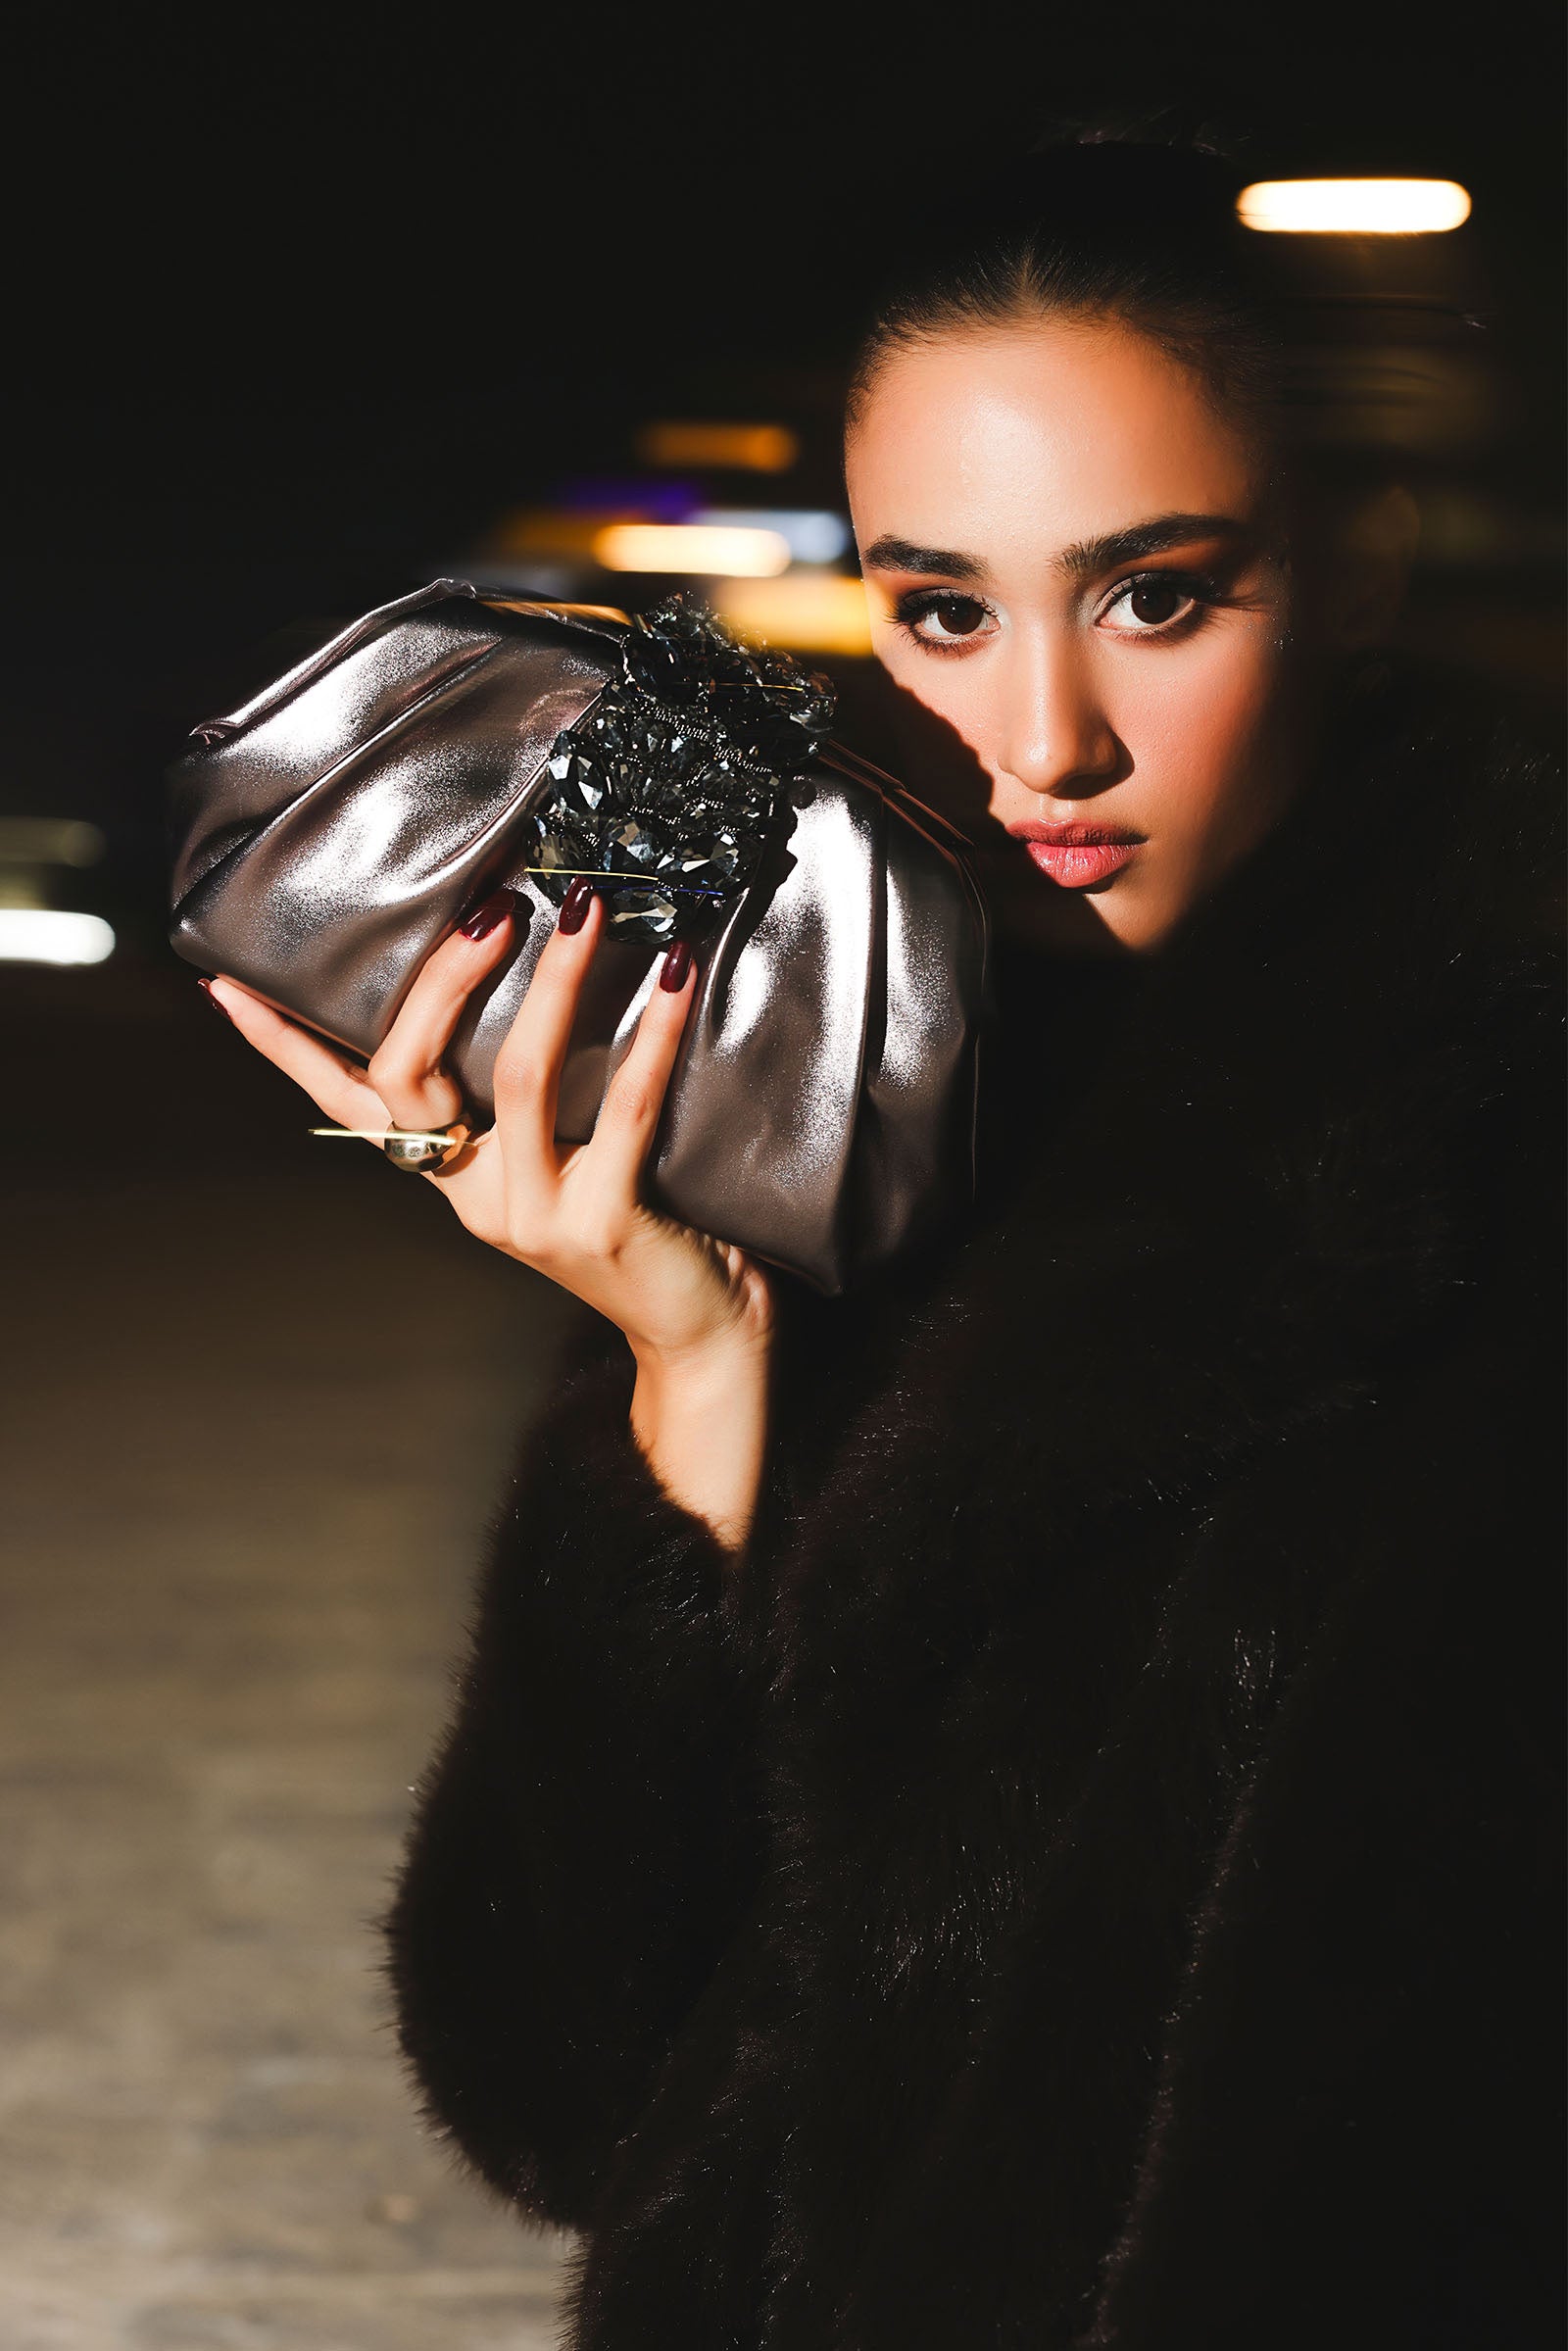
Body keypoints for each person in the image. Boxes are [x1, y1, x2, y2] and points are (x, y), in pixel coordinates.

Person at [206, 136, 1564, 2348]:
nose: (1041, 740)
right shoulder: (833, 1135)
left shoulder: (1488, 1173)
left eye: (1155, 596)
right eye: (943, 611)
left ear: (1354, 573)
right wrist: (685, 1371)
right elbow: (571, 2101)